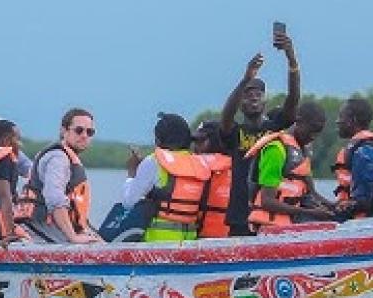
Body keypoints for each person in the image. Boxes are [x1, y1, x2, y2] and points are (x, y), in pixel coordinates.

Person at [219, 31, 302, 236]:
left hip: (268, 215)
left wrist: (291, 59)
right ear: (240, 103)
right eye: (248, 95)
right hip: (239, 215)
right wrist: (245, 78)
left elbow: (293, 100)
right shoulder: (235, 132)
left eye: (258, 94)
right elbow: (226, 116)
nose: (253, 98)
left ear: (265, 100)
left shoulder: (274, 128)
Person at [121, 114, 212, 242]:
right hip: (189, 241)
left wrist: (132, 174)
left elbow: (129, 201)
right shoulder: (199, 163)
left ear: (159, 140)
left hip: (158, 244)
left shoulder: (154, 161)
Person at [246, 101, 336, 229]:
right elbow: (267, 202)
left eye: (318, 132)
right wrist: (308, 212)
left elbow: (311, 194)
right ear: (298, 122)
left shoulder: (302, 151)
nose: (313, 137)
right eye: (311, 131)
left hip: (291, 225)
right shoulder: (276, 149)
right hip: (268, 227)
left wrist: (333, 206)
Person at [17, 108, 100, 244]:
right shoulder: (58, 158)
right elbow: (54, 198)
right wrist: (73, 237)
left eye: (89, 132)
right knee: (95, 245)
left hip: (55, 227)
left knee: (100, 242)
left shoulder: (65, 157)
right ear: (64, 131)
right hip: (40, 226)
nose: (84, 135)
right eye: (79, 130)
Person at [191, 120, 233, 238]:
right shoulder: (237, 165)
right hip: (231, 236)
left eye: (201, 141)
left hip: (203, 235)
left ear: (215, 140)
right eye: (195, 141)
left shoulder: (196, 165)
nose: (196, 146)